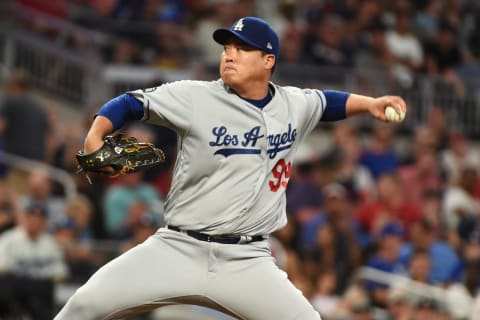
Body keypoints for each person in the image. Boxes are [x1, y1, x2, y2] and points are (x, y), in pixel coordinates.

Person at [54, 16, 407, 320]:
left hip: (246, 260)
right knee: (84, 306)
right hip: (177, 248)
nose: (229, 54)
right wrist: (96, 134)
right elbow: (130, 102)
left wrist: (371, 104)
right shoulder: (195, 97)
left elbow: (328, 102)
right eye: (227, 47)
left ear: (268, 60)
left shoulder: (292, 104)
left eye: (242, 48)